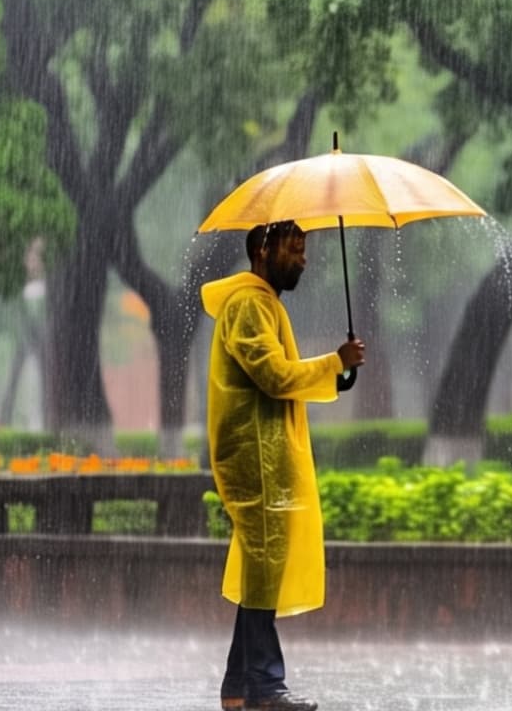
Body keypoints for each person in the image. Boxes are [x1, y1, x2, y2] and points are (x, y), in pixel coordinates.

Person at [201, 221, 365, 711]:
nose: (303, 259)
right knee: (264, 561)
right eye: (294, 249)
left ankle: (238, 686)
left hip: (267, 456)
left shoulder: (265, 303)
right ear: (262, 249)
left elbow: (283, 375)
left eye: (304, 250)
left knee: (262, 566)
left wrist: (339, 372)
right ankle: (264, 687)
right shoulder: (248, 305)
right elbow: (273, 376)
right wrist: (333, 361)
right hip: (254, 457)